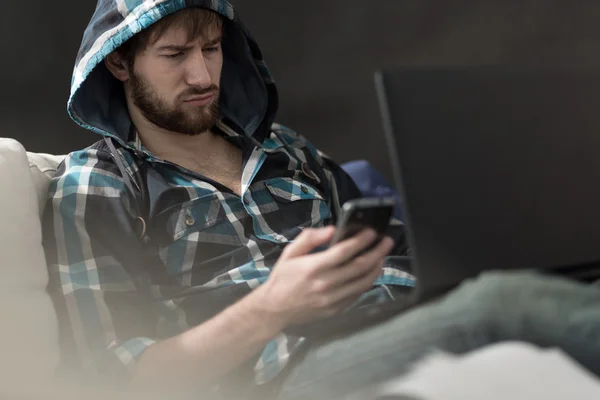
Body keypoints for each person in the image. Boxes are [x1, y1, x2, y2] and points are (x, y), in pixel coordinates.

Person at [43, 1, 600, 399]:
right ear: (119, 63)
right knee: (505, 303)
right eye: (174, 55)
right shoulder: (99, 185)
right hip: (287, 373)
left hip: (397, 318)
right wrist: (273, 306)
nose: (202, 74)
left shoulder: (286, 149)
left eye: (211, 49)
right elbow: (117, 382)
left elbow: (402, 250)